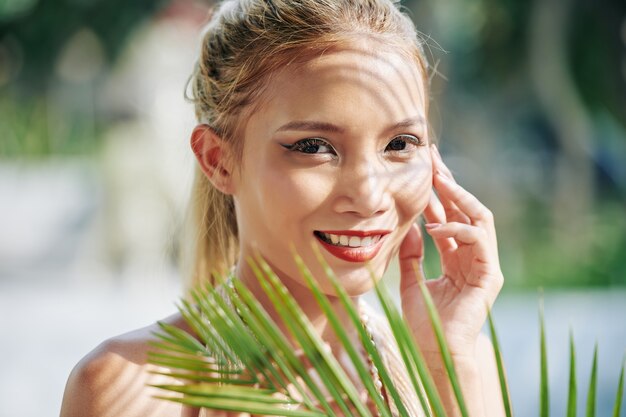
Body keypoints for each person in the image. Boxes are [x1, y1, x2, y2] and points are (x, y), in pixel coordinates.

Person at [60, 0, 506, 416]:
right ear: (218, 160)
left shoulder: (461, 361)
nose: (369, 196)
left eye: (399, 144)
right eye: (314, 147)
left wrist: (446, 375)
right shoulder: (134, 386)